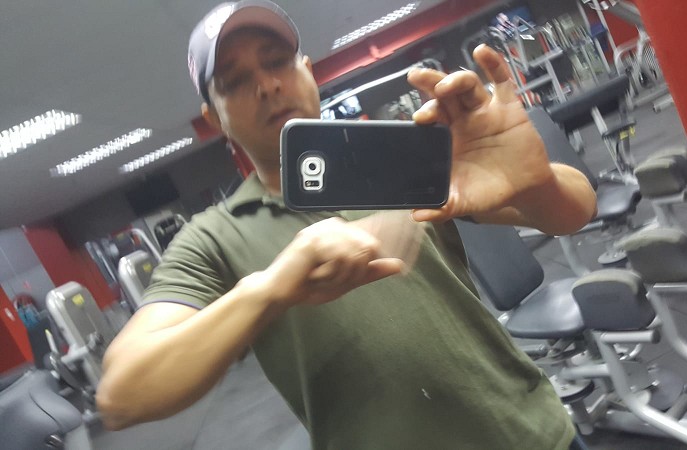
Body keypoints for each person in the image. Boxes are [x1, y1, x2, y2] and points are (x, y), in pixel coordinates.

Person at [96, 1, 597, 448]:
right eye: (235, 82)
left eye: (277, 62)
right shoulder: (213, 238)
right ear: (215, 119)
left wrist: (531, 182)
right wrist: (271, 288)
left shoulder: (396, 156)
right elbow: (121, 396)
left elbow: (575, 209)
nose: (267, 86)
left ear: (307, 70)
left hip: (533, 432)